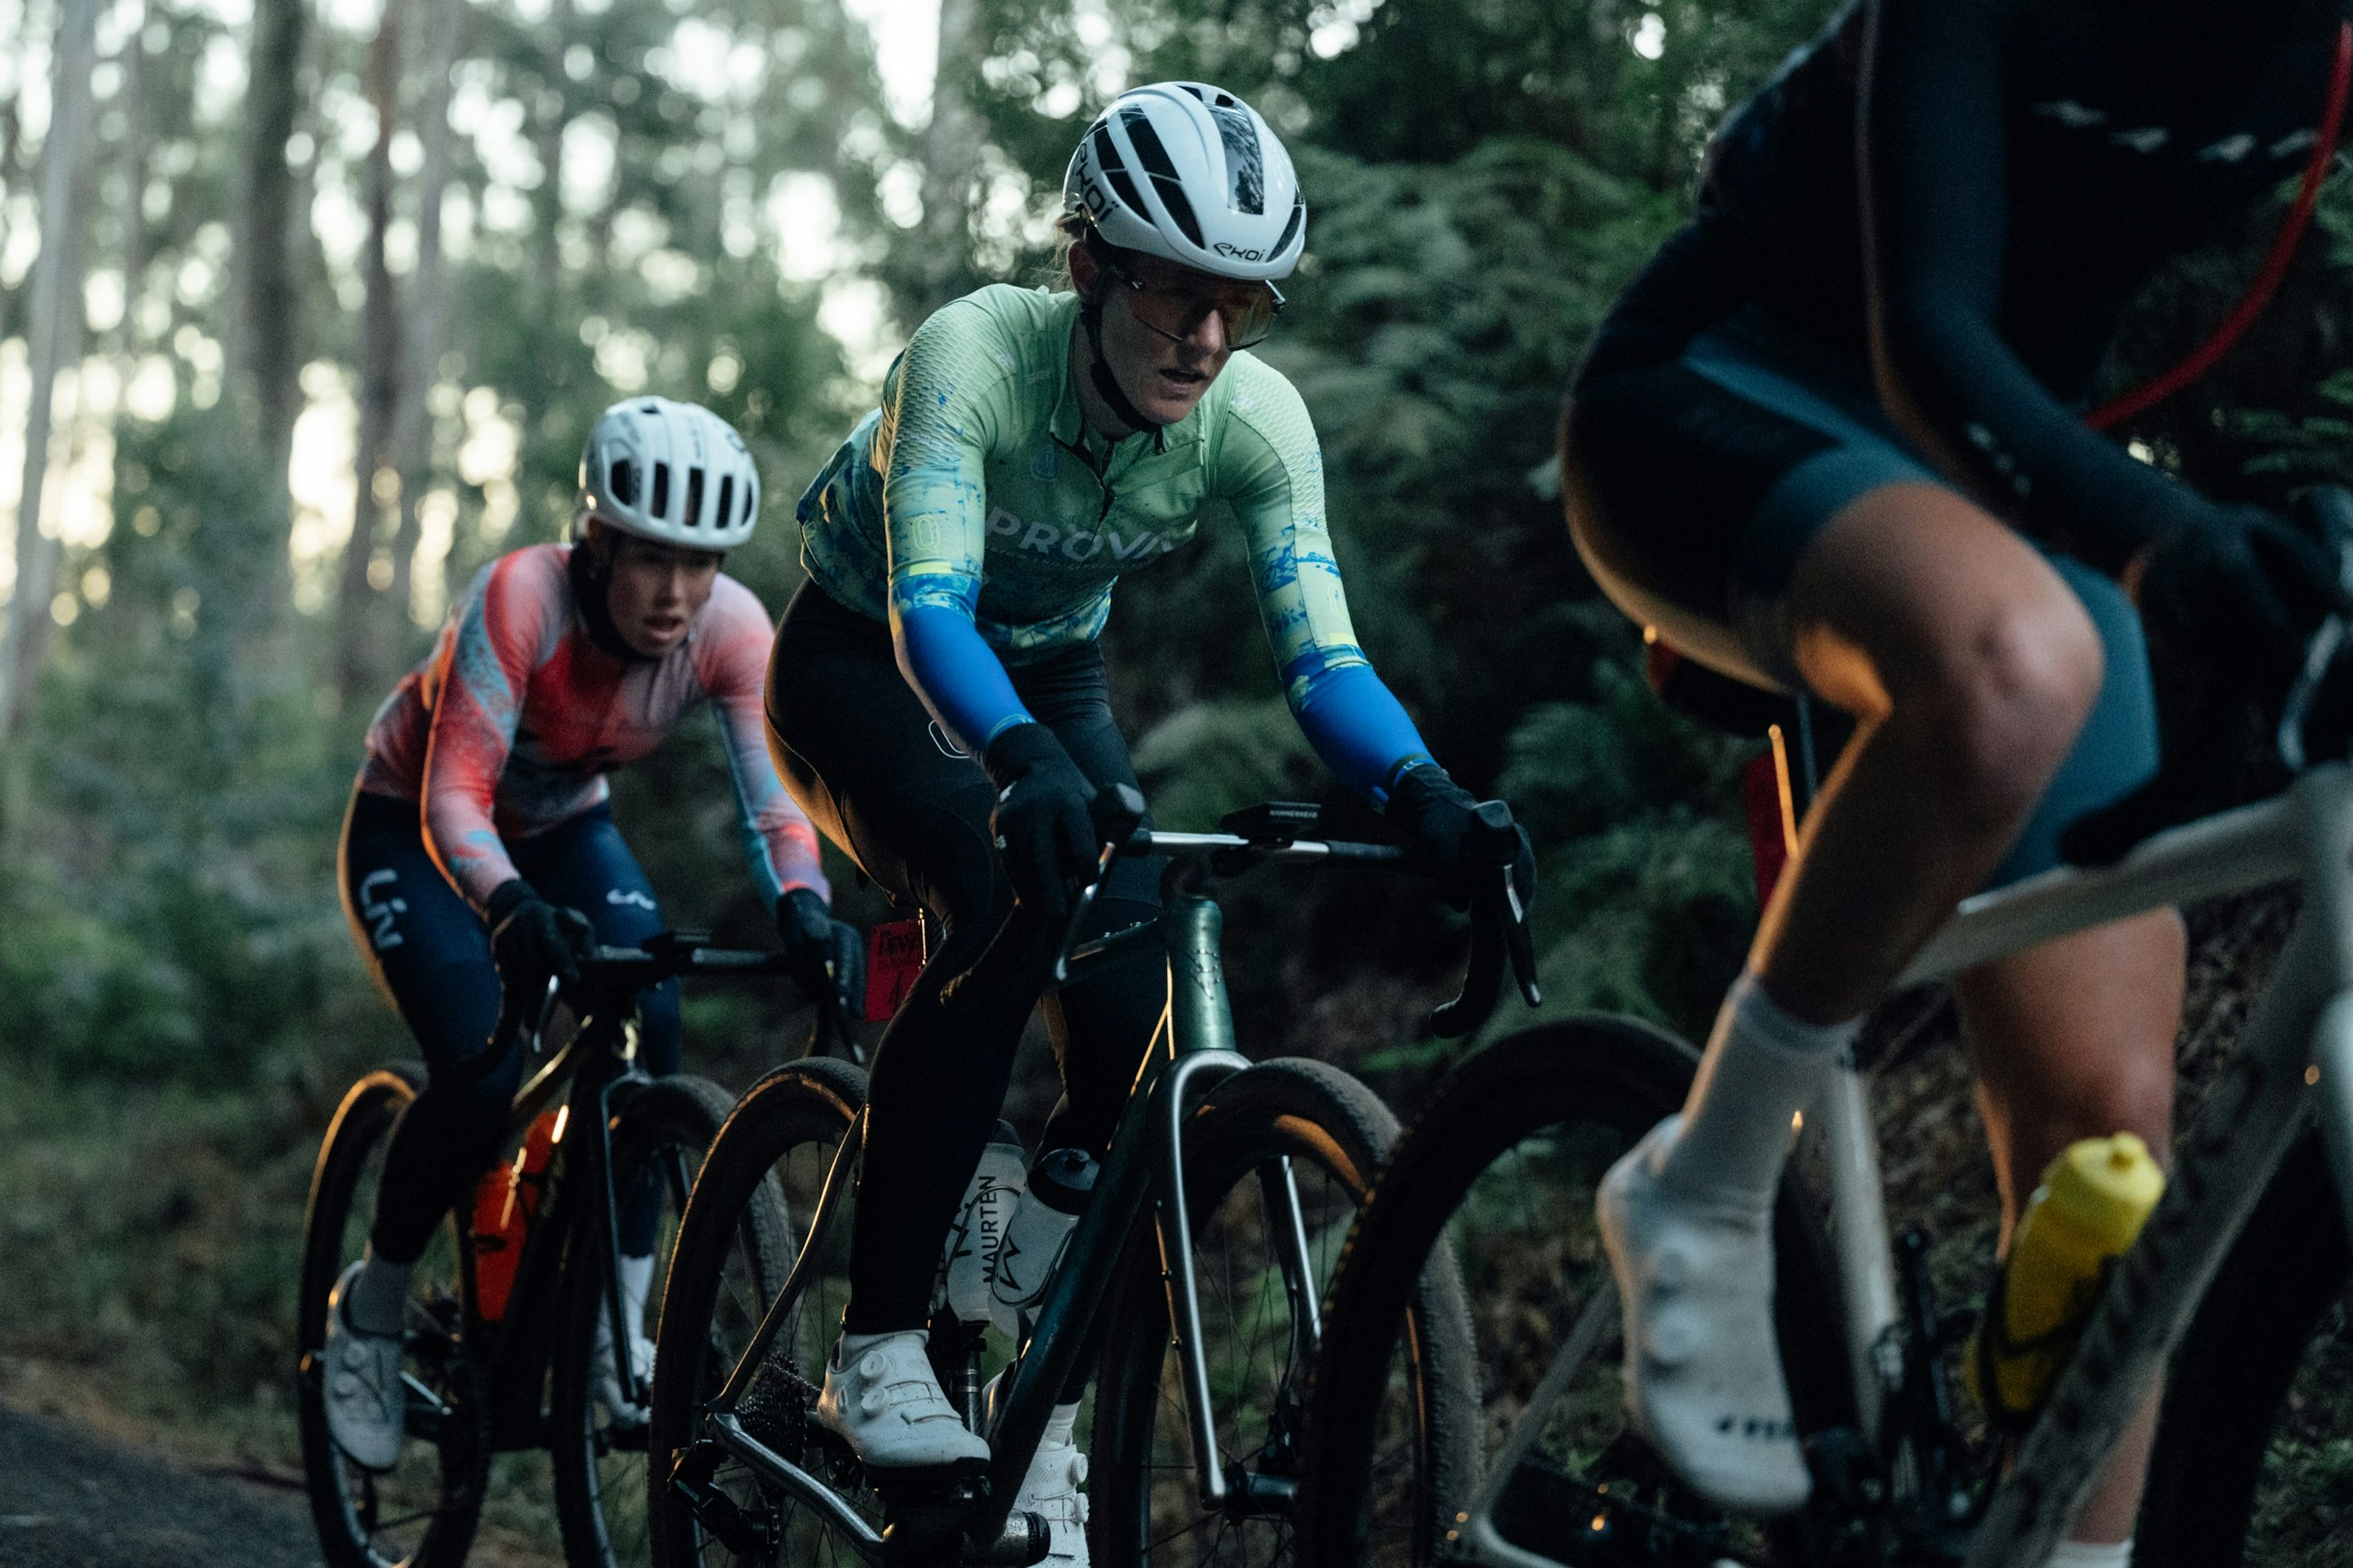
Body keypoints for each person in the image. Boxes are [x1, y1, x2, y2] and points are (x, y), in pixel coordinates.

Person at [1560, 0, 2353, 1558]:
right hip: (1724, 394)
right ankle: (1703, 1184)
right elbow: (1928, 330)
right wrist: (2165, 542)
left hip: (1994, 487)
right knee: (2016, 668)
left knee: (2110, 1146)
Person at [767, 81, 1531, 1562]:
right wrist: (1013, 760)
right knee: (1001, 899)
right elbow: (932, 615)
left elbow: (1325, 661)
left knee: (1129, 1009)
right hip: (865, 660)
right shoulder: (972, 355)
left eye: (1243, 304)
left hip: (1050, 671)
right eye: (1177, 294)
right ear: (1087, 269)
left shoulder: (1256, 418)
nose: (1207, 336)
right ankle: (876, 1344)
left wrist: (1423, 787)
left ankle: (1029, 1355)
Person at [319, 397, 856, 1472]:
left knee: (654, 1010)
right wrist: (509, 907)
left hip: (565, 828)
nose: (676, 593)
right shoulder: (523, 595)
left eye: (700, 563)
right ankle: (370, 1309)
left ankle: (616, 1334)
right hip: (414, 829)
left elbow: (773, 805)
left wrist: (805, 903)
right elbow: (454, 798)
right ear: (597, 542)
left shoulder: (732, 628)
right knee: (481, 1071)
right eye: (651, 558)